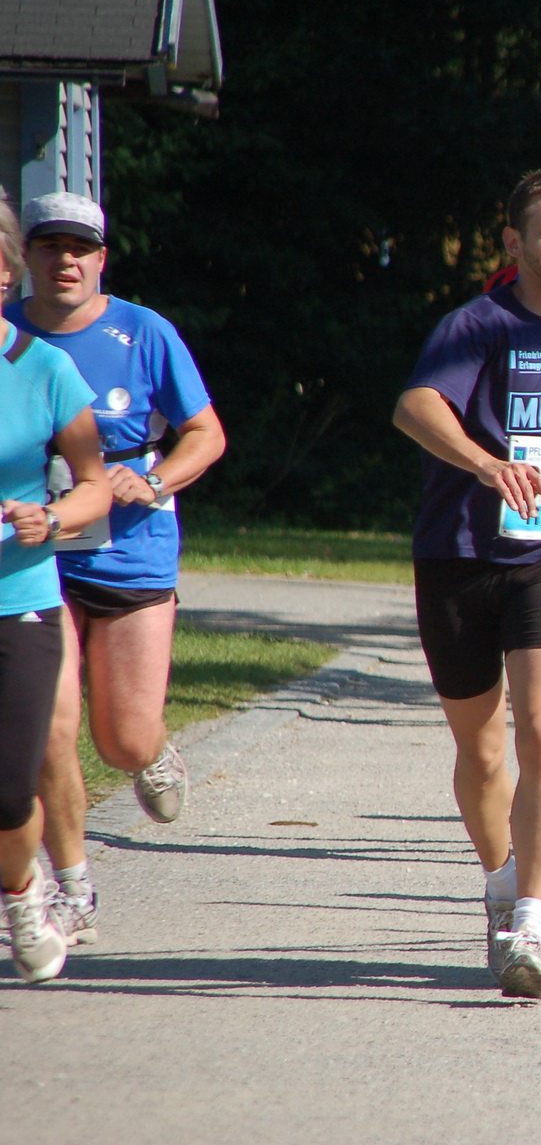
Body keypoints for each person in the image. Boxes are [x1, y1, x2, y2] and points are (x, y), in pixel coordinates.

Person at [393, 168, 541, 998]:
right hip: (456, 556)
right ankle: (498, 878)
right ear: (515, 243)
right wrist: (486, 462)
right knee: (481, 750)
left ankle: (531, 921)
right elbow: (416, 405)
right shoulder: (476, 324)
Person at [7, 192, 227, 948]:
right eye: (50, 247)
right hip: (35, 555)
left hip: (131, 543)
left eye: (81, 248)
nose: (65, 261)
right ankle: (71, 888)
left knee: (123, 740)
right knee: (49, 729)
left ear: (102, 259)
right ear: (26, 257)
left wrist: (156, 479)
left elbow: (206, 433)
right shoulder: (11, 340)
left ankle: (152, 749)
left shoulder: (144, 332)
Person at [0, 194, 111, 983]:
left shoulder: (42, 369)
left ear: (6, 271)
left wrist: (54, 515)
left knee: (10, 788)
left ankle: (21, 895)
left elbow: (96, 484)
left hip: (20, 601)